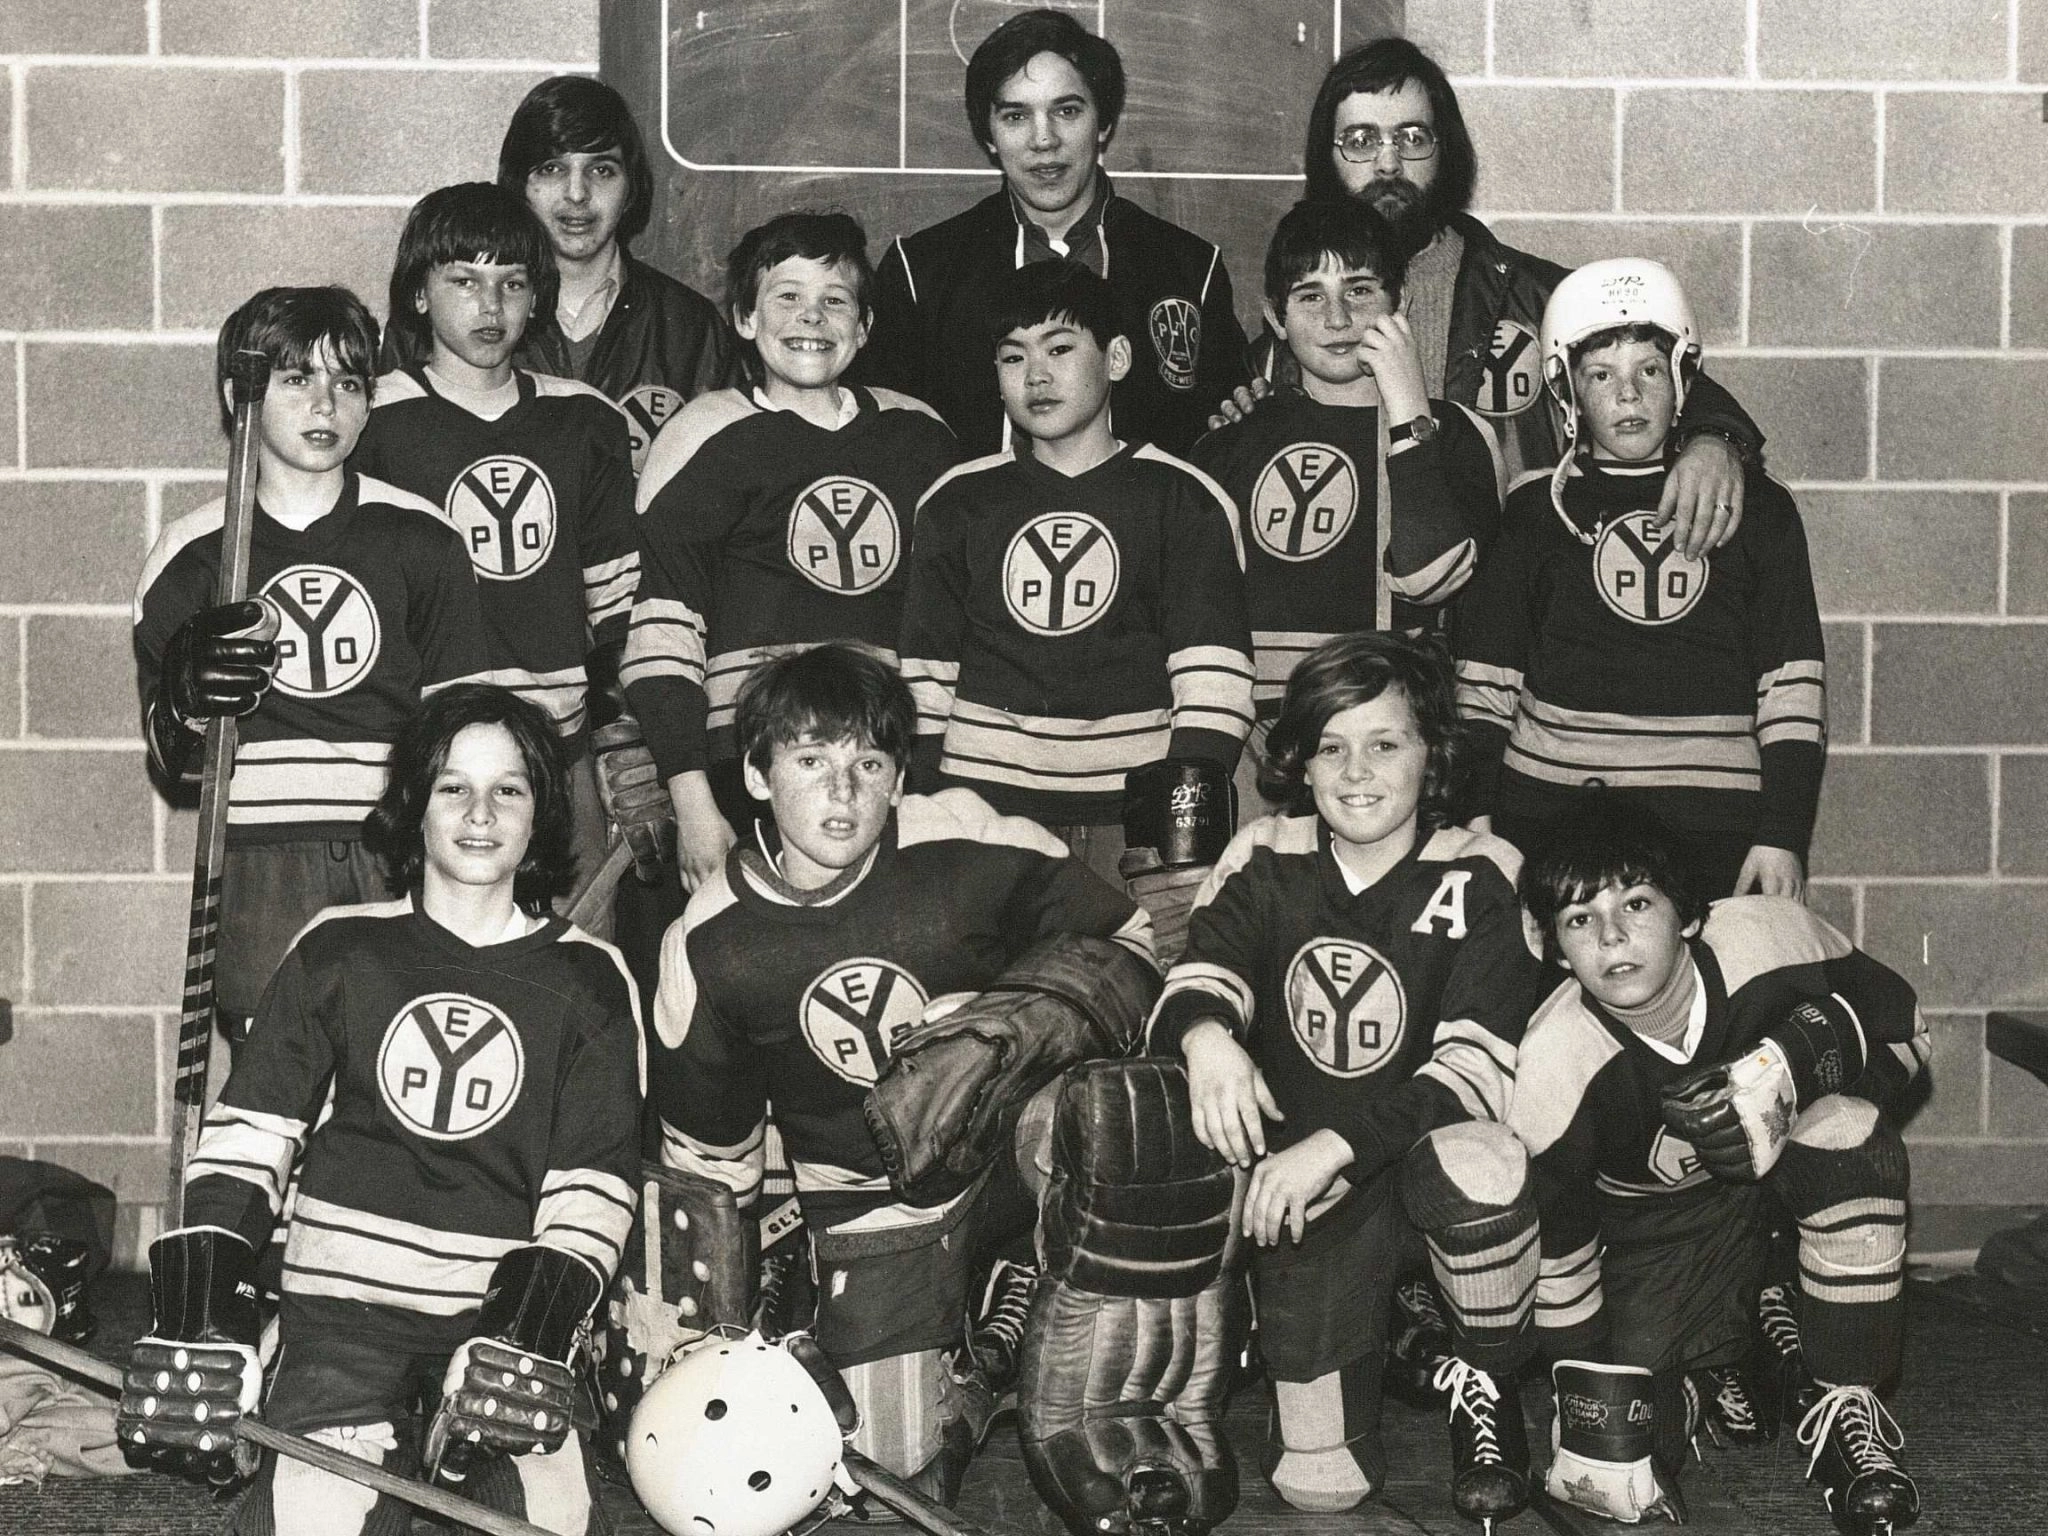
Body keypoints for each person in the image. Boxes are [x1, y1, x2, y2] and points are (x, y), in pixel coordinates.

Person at [115, 683, 643, 1536]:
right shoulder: (340, 947)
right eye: (452, 786)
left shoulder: (589, 979)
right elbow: (249, 1141)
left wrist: (531, 1328)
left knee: (553, 1522)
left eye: (508, 789)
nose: (479, 813)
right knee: (310, 1522)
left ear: (541, 811)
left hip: (495, 1330)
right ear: (415, 806)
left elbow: (593, 1186)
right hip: (341, 1323)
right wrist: (209, 1310)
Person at [648, 643, 1156, 1504]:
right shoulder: (709, 942)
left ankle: (1066, 1326)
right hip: (869, 1197)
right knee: (887, 1466)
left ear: (898, 778)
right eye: (812, 762)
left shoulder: (966, 840)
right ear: (757, 777)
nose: (844, 792)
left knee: (1128, 1117)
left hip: (1011, 1150)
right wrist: (707, 1338)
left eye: (869, 765)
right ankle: (979, 1358)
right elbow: (709, 1166)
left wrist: (1009, 1018)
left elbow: (1132, 943)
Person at [1146, 631, 1547, 1520]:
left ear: (1433, 754)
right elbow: (1199, 976)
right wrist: (1208, 1038)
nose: (1356, 772)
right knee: (1318, 1484)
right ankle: (1395, 1330)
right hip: (1313, 1198)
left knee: (1479, 1166)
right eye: (1331, 747)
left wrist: (1333, 1145)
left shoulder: (1483, 870)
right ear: (1299, 760)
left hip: (1410, 1165)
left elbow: (1474, 1074)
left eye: (1385, 744)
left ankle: (1486, 1377)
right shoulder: (1266, 851)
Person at [1496, 799, 1926, 1534]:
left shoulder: (1771, 939)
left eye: (1636, 903)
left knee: (1852, 1137)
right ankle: (1734, 1355)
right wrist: (1593, 1395)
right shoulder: (1552, 1065)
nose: (1611, 936)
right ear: (1556, 949)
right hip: (1657, 1239)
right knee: (1624, 1455)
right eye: (1579, 919)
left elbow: (1908, 1030)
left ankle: (1848, 1406)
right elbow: (1561, 1256)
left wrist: (1792, 1075)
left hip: (1785, 1187)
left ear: (1689, 913)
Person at [1226, 37, 1760, 558]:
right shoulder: (1288, 341)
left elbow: (1672, 379)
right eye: (1361, 140)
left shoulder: (1539, 297)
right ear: (1328, 158)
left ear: (1446, 150)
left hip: (1513, 591)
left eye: (1412, 137)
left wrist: (1714, 441)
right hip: (1356, 600)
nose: (1388, 164)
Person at [133, 285, 491, 1032]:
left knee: (394, 1074)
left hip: (393, 856)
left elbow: (467, 737)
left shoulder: (422, 537)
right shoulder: (190, 557)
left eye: (349, 383)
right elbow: (177, 768)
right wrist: (186, 708)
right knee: (273, 1080)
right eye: (297, 379)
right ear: (240, 396)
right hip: (260, 869)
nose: (326, 404)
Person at [1454, 258, 1826, 901]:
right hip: (1551, 818)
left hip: (1714, 833)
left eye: (1649, 370)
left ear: (1683, 377)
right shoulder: (1533, 510)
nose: (1628, 395)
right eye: (1601, 375)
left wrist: (1781, 833)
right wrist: (1477, 815)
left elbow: (1791, 685)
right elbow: (1488, 681)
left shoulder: (1758, 506)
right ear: (1567, 391)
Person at [623, 211, 960, 905]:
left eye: (835, 300)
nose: (813, 317)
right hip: (747, 770)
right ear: (745, 318)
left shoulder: (920, 438)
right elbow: (662, 637)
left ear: (864, 327)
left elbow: (949, 626)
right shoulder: (700, 436)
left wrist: (930, 780)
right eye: (787, 297)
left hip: (884, 765)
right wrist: (692, 802)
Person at [898, 259, 1254, 906]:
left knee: (1138, 969)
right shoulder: (956, 501)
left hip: (1131, 824)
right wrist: (929, 815)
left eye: (1059, 349)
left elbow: (1215, 687)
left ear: (1117, 358)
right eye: (1013, 357)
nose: (1036, 375)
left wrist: (1175, 842)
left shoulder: (1183, 498)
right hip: (983, 815)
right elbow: (924, 682)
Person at [351, 183, 647, 924]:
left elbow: (619, 607)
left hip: (559, 752)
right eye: (464, 281)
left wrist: (624, 738)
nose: (491, 307)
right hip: (423, 756)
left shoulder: (584, 420)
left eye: (512, 284)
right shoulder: (372, 420)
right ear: (419, 293)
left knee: (572, 958)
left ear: (537, 296)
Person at [1190, 196, 1501, 816]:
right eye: (1310, 296)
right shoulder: (1229, 442)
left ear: (1400, 303)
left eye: (1359, 290)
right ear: (1275, 318)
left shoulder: (1457, 433)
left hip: (1390, 742)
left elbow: (1430, 576)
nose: (1337, 318)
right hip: (1257, 747)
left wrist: (1408, 408)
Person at [862, 7, 1250, 456]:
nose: (1044, 139)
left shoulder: (1190, 270)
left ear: (1103, 123)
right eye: (1016, 117)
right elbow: (883, 445)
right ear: (988, 136)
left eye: (1066, 111)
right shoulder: (920, 273)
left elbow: (1223, 441)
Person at [497, 74, 742, 474]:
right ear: (519, 185)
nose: (577, 193)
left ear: (631, 188)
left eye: (602, 170)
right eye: (552, 168)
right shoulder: (458, 316)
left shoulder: (692, 328)